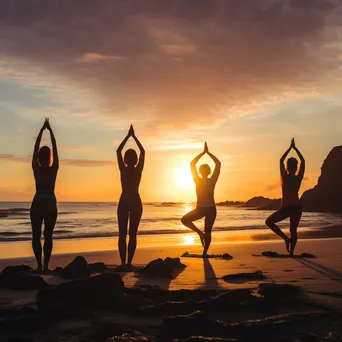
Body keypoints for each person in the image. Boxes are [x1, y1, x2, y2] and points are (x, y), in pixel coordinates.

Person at [265, 138, 305, 256]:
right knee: (293, 230)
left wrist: (289, 148)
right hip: (296, 208)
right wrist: (295, 149)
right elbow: (303, 160)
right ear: (296, 167)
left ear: (287, 166)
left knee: (269, 222)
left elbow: (281, 160)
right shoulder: (298, 177)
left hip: (287, 208)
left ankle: (286, 239)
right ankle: (291, 252)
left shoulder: (284, 176)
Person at [181, 142, 221, 256]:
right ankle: (204, 251)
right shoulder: (212, 180)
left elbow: (192, 164)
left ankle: (200, 235)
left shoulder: (197, 180)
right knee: (207, 231)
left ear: (201, 171)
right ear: (208, 171)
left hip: (203, 209)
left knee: (185, 220)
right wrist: (208, 153)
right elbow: (218, 164)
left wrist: (203, 153)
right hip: (210, 209)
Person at [30, 118, 59, 272]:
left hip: (38, 201)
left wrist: (42, 131)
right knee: (48, 236)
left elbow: (35, 149)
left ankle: (39, 266)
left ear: (39, 157)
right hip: (50, 203)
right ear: (49, 157)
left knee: (36, 235)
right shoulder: (54, 168)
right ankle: (46, 266)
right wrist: (50, 131)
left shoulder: (36, 168)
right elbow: (55, 148)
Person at [116, 125, 145, 270]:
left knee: (122, 234)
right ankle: (128, 263)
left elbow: (118, 151)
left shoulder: (123, 169)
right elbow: (143, 151)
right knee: (132, 234)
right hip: (135, 201)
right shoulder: (138, 170)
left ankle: (123, 263)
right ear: (136, 159)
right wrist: (134, 137)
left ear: (126, 159)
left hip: (124, 201)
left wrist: (128, 137)